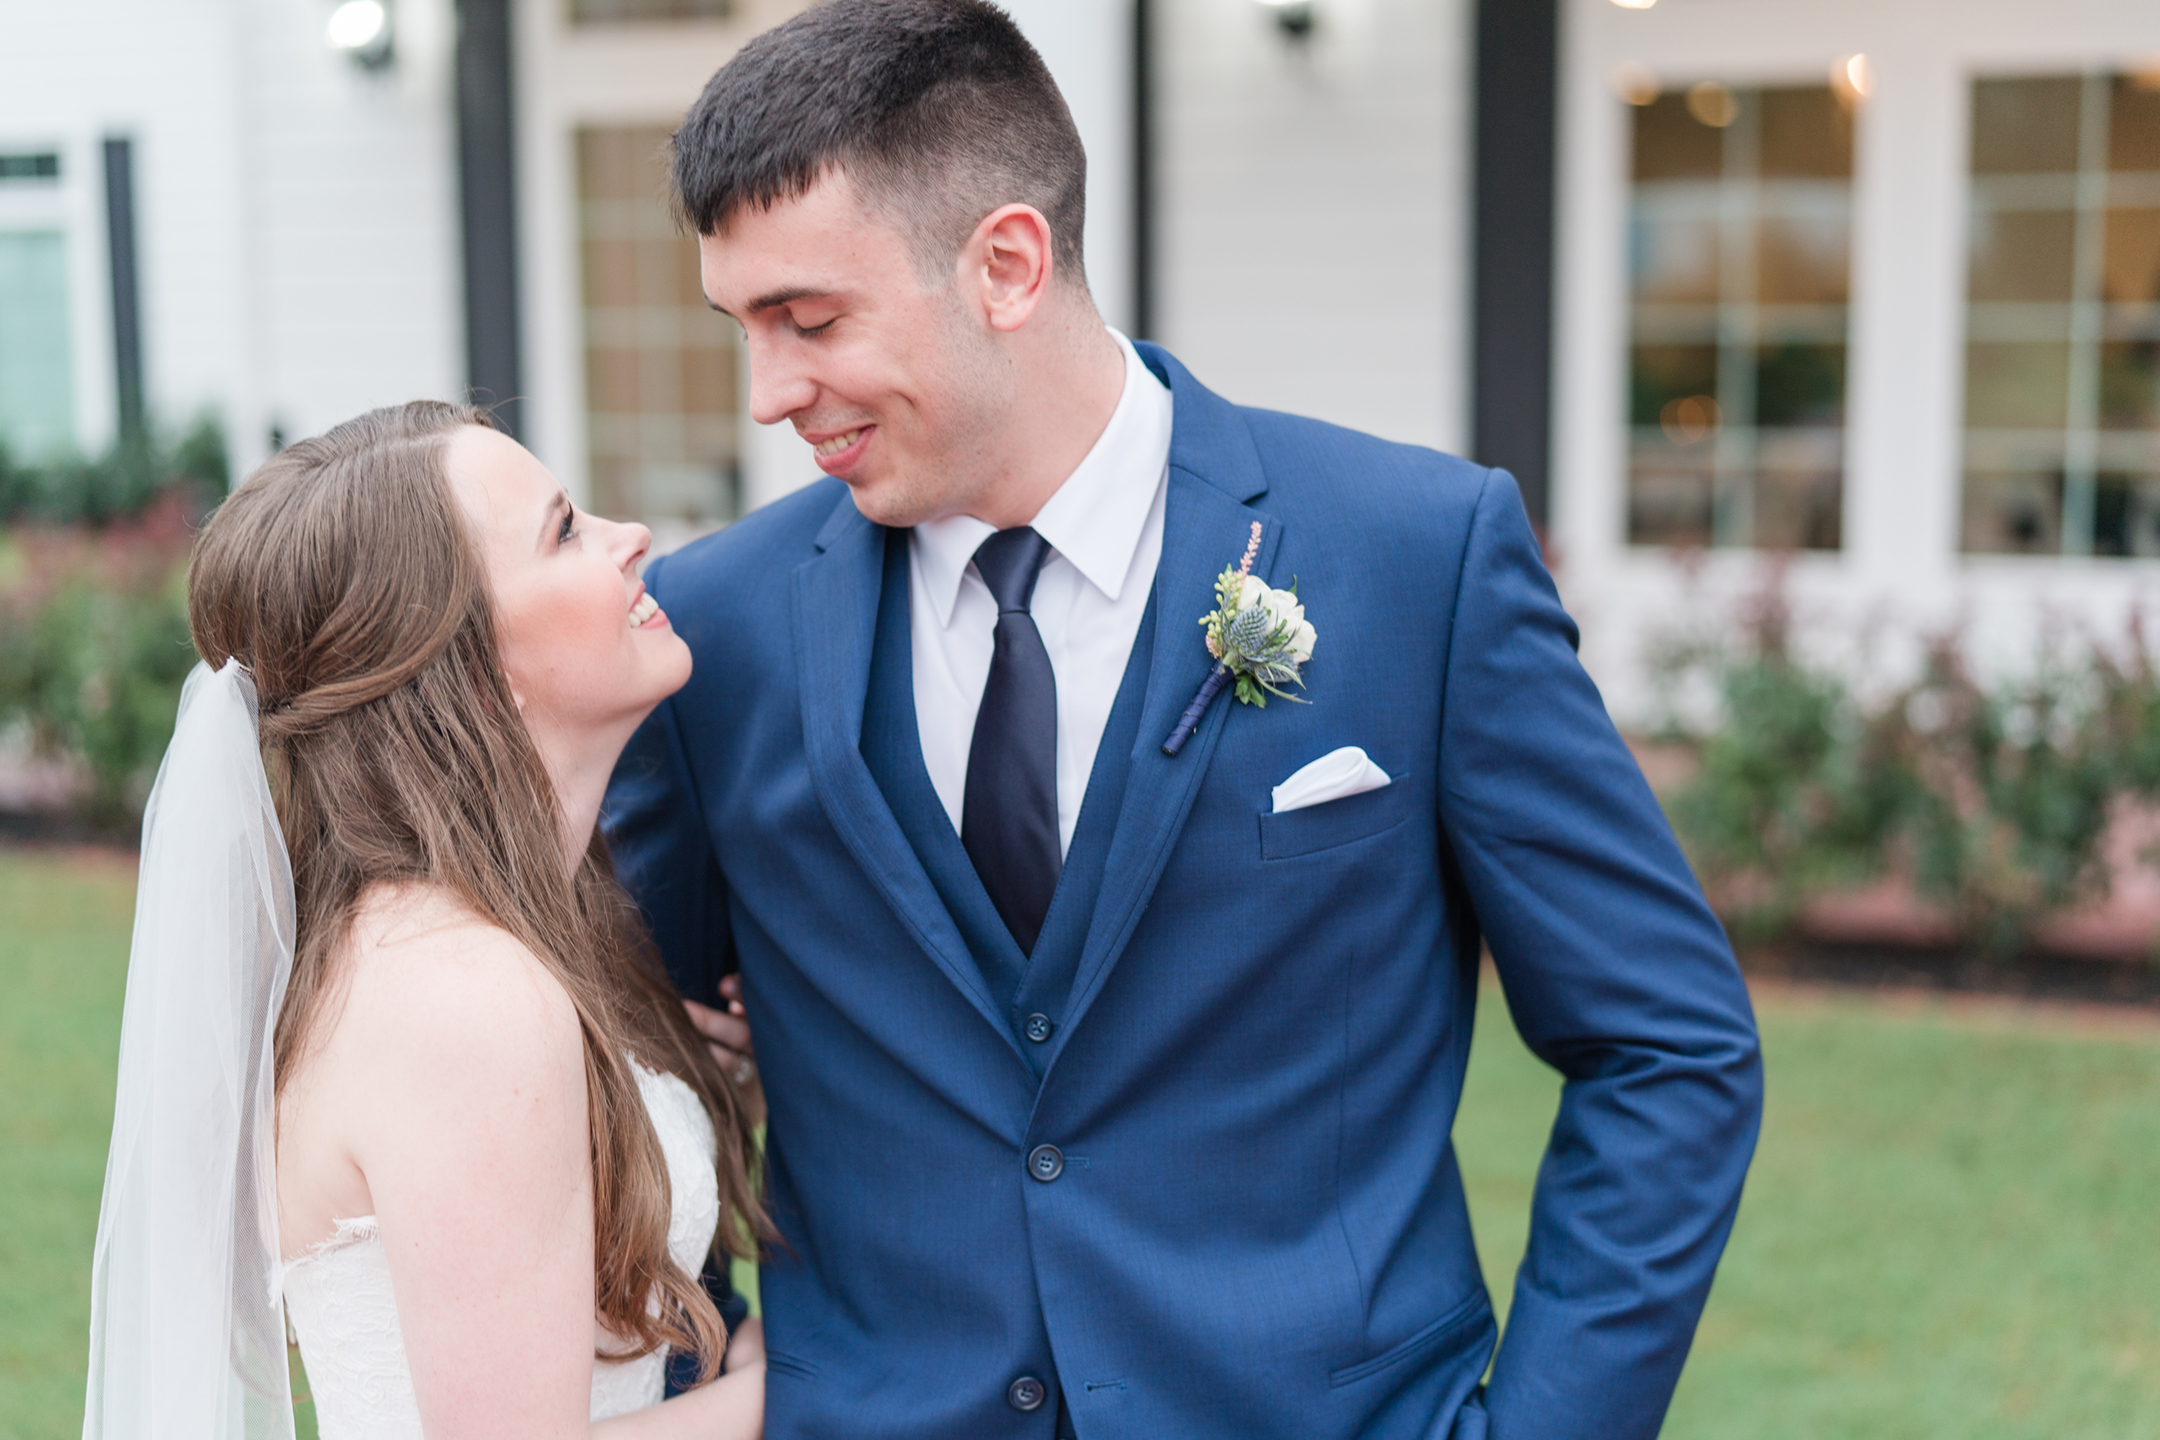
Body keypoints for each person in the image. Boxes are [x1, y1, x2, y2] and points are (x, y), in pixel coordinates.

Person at [603, 2, 1765, 1438]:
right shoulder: (713, 630)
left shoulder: (1417, 558)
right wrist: (697, 1387)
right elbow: (621, 1085)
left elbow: (1667, 1048)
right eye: (742, 328)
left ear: (1008, 264)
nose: (770, 395)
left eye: (811, 321)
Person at [83, 402, 769, 1439]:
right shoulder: (461, 995)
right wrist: (826, 1384)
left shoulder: (480, 938)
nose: (632, 539)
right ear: (476, 672)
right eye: (565, 531)